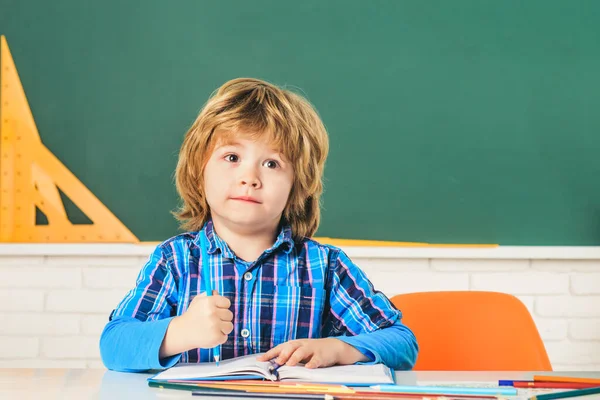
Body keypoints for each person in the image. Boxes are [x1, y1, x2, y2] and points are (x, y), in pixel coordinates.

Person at [99, 77, 418, 372]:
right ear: (200, 169)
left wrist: (339, 348)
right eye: (232, 157)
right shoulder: (175, 261)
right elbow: (114, 345)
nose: (249, 178)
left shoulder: (324, 267)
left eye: (272, 163)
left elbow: (402, 343)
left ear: (298, 185)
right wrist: (179, 332)